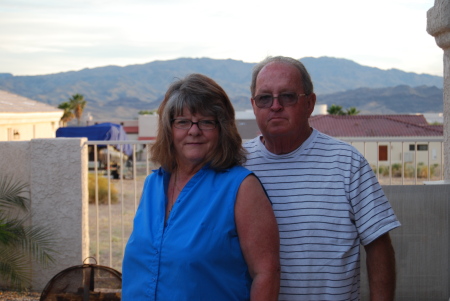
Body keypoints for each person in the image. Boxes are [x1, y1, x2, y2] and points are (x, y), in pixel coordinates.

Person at [243, 56, 401, 301]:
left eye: (287, 96)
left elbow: (378, 245)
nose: (275, 106)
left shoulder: (347, 163)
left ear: (310, 103)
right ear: (254, 105)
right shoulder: (236, 164)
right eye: (265, 98)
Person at [122, 73, 280, 300]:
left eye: (206, 122)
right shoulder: (153, 185)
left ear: (222, 129)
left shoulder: (241, 188)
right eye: (182, 122)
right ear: (169, 129)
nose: (193, 131)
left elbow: (266, 273)